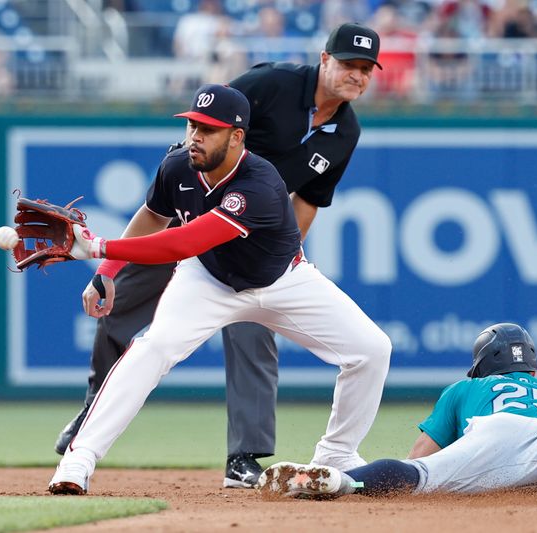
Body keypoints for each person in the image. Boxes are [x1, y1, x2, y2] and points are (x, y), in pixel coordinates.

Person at [53, 21, 384, 489]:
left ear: (236, 136)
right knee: (150, 343)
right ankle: (77, 459)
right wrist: (105, 267)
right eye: (193, 125)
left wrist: (99, 246)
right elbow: (160, 218)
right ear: (324, 59)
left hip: (276, 272)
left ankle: (329, 454)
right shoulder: (264, 90)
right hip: (207, 270)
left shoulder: (299, 160)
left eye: (365, 68)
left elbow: (303, 201)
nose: (357, 74)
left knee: (371, 350)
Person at [257, 323, 537, 498]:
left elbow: (421, 455)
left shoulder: (467, 387)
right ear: (532, 365)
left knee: (420, 476)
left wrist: (416, 477)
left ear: (482, 365)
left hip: (494, 436)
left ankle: (343, 482)